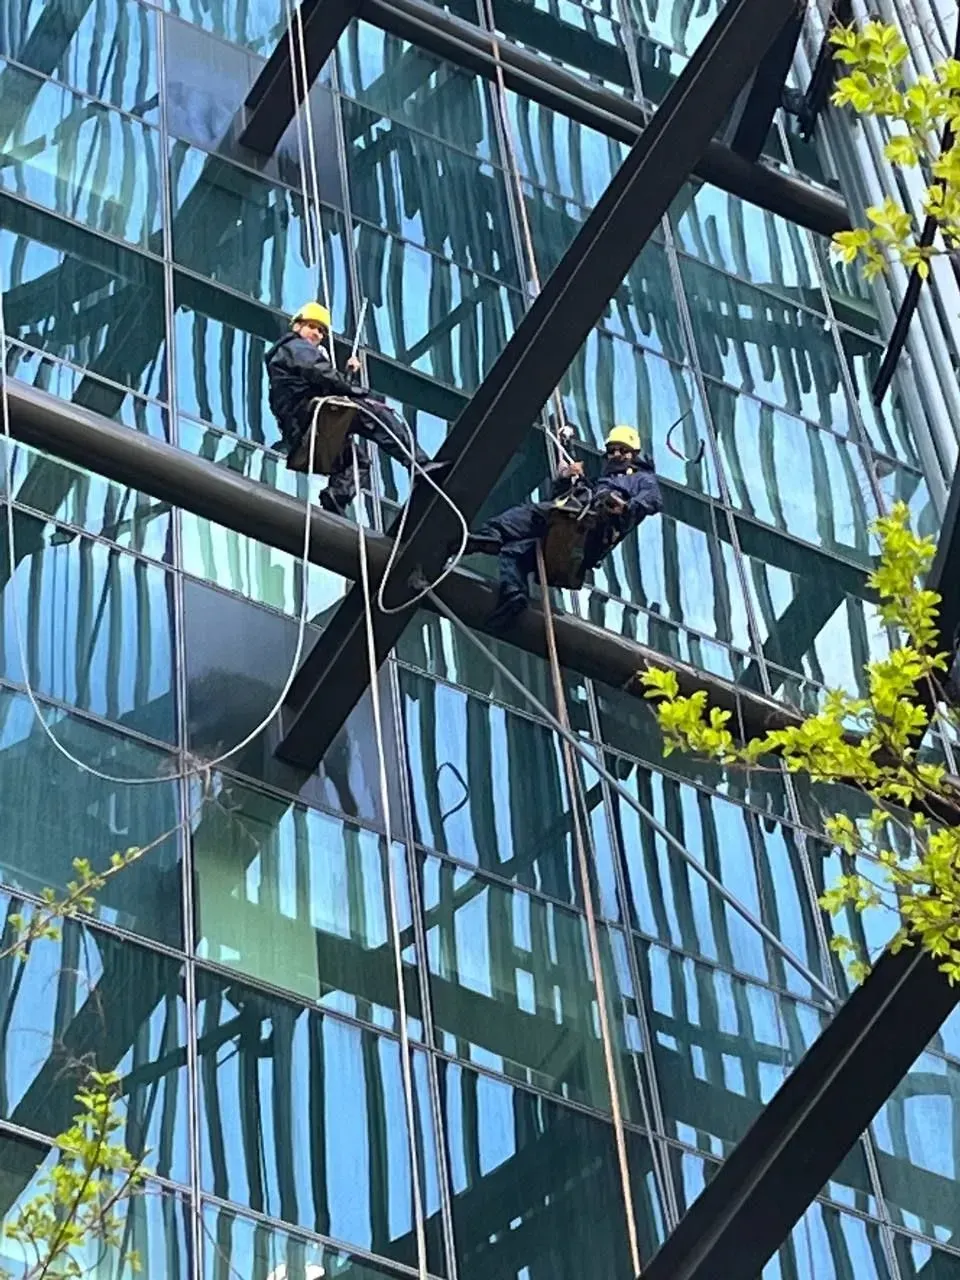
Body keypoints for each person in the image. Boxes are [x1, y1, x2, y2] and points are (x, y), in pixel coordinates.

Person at [463, 425, 662, 629]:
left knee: (530, 514)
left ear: (634, 454)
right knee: (513, 553)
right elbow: (560, 498)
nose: (616, 455)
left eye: (622, 450)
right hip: (577, 529)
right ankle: (513, 597)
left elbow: (653, 500)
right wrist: (566, 478)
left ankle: (489, 536)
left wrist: (627, 507)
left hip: (589, 529)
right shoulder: (604, 480)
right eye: (612, 450)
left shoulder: (641, 479)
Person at [265, 302, 449, 515]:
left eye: (321, 331)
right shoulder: (294, 346)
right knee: (378, 416)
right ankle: (419, 465)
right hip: (311, 415)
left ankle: (336, 496)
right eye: (312, 326)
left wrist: (346, 375)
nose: (317, 333)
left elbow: (316, 379)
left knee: (358, 462)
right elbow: (319, 372)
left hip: (305, 423)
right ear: (297, 327)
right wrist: (352, 388)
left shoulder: (291, 354)